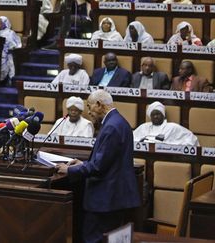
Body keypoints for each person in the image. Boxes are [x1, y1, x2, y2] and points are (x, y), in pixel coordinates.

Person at [56, 90, 141, 243]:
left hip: (106, 199)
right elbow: (108, 161)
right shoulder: (119, 121)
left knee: (93, 239)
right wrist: (83, 164)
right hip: (113, 196)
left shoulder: (111, 127)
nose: (88, 112)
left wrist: (69, 170)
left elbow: (98, 167)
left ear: (99, 105)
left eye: (89, 107)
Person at [133, 101, 199, 146]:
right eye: (153, 115)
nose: (155, 116)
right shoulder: (144, 127)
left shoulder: (172, 127)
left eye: (158, 114)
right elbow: (131, 138)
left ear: (163, 115)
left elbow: (192, 139)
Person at [0, 16, 22, 83]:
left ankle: (5, 81)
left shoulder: (10, 33)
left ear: (5, 24)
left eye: (0, 23)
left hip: (6, 54)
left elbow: (17, 44)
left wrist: (9, 49)